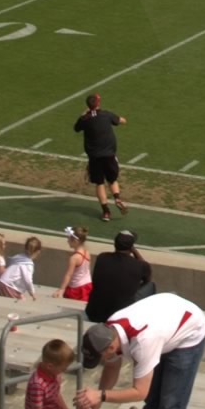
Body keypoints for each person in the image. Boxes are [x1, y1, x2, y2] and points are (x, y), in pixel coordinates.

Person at [77, 292, 205, 409]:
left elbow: (140, 392)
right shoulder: (109, 330)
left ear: (110, 348)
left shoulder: (142, 343)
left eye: (99, 357)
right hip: (165, 321)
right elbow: (111, 367)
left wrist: (100, 395)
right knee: (152, 403)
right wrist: (94, 407)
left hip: (189, 331)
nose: (101, 361)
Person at [74, 93, 129, 222]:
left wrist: (83, 115)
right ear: (98, 103)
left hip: (94, 157)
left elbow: (76, 128)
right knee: (112, 180)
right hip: (109, 155)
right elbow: (121, 120)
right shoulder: (106, 114)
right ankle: (117, 198)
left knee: (99, 183)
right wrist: (120, 120)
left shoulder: (85, 119)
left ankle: (106, 212)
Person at [86, 229, 152, 322]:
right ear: (131, 247)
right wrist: (135, 251)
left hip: (94, 313)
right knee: (150, 285)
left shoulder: (102, 257)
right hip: (119, 318)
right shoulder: (141, 265)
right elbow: (147, 278)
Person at [27, 339, 81, 409]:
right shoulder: (37, 385)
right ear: (50, 366)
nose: (64, 371)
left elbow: (56, 394)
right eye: (63, 369)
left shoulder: (53, 374)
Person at [0, 236, 42, 300]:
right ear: (38, 252)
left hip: (2, 282)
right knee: (20, 301)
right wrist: (32, 293)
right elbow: (28, 280)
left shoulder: (18, 258)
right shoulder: (28, 264)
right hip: (9, 286)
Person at [58, 225, 93, 302]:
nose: (67, 241)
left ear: (75, 241)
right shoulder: (87, 253)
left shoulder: (74, 258)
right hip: (87, 285)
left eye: (69, 239)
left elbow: (68, 275)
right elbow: (87, 271)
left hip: (76, 289)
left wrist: (61, 289)